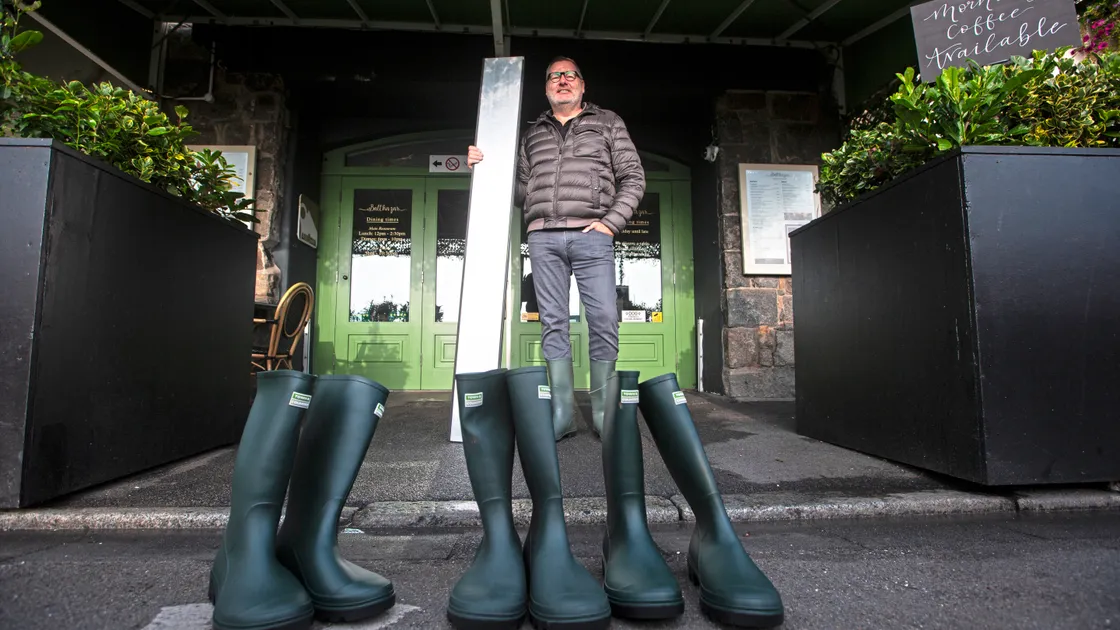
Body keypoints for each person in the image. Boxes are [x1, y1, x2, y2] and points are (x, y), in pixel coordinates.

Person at [467, 56, 645, 441]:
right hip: (543, 237)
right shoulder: (533, 134)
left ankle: (601, 412)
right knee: (553, 322)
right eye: (554, 76)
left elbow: (633, 177)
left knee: (603, 319)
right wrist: (485, 167)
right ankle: (563, 413)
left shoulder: (608, 123)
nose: (562, 80)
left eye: (569, 75)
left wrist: (609, 224)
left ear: (582, 84)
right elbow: (517, 190)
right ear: (547, 88)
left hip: (591, 235)